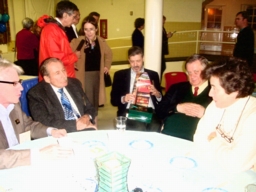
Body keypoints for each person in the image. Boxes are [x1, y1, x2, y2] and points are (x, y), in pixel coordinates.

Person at [0, 58, 70, 169]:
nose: (21, 88)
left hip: (20, 163)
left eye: (20, 82)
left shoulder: (14, 105)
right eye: (14, 83)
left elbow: (27, 125)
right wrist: (38, 154)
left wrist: (51, 131)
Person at [194, 57, 256, 174]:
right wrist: (227, 152)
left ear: (235, 90)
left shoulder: (253, 117)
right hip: (215, 168)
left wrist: (213, 140)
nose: (210, 93)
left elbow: (235, 164)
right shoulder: (216, 104)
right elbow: (199, 139)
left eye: (214, 88)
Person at [27, 58, 97, 133]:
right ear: (47, 78)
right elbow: (44, 121)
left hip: (85, 127)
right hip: (60, 132)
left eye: (63, 70)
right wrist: (75, 125)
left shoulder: (74, 84)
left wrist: (86, 117)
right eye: (57, 73)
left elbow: (90, 107)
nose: (64, 76)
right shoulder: (36, 93)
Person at [156, 54, 212, 141]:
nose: (192, 76)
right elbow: (159, 110)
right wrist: (177, 108)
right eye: (189, 73)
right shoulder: (177, 88)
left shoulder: (215, 91)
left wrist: (205, 114)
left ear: (206, 71)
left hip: (195, 141)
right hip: (168, 136)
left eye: (196, 72)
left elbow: (224, 122)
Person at [111, 46, 162, 132]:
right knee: (139, 128)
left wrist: (157, 94)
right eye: (132, 61)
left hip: (150, 110)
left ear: (143, 58)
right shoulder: (119, 75)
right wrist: (124, 98)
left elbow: (161, 99)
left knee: (155, 128)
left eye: (138, 61)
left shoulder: (153, 75)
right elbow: (113, 100)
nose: (135, 65)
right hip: (131, 110)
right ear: (128, 60)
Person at [70, 16, 112, 112]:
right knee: (85, 101)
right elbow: (67, 54)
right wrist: (74, 59)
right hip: (83, 75)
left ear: (96, 29)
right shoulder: (77, 41)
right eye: (86, 29)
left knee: (95, 100)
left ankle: (94, 120)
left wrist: (106, 66)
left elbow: (109, 53)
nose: (88, 32)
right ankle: (87, 120)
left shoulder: (101, 41)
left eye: (91, 29)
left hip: (97, 75)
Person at [39, 1, 80, 81]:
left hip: (61, 75)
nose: (74, 20)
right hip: (57, 78)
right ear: (65, 15)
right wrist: (74, 56)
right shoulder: (52, 30)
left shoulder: (57, 29)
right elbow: (56, 59)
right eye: (73, 16)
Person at [161, 15, 174, 80]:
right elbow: (160, 39)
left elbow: (163, 37)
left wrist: (167, 36)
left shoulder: (162, 28)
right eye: (163, 21)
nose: (164, 22)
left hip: (162, 50)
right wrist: (167, 36)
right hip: (161, 50)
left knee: (163, 67)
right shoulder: (158, 28)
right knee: (162, 67)